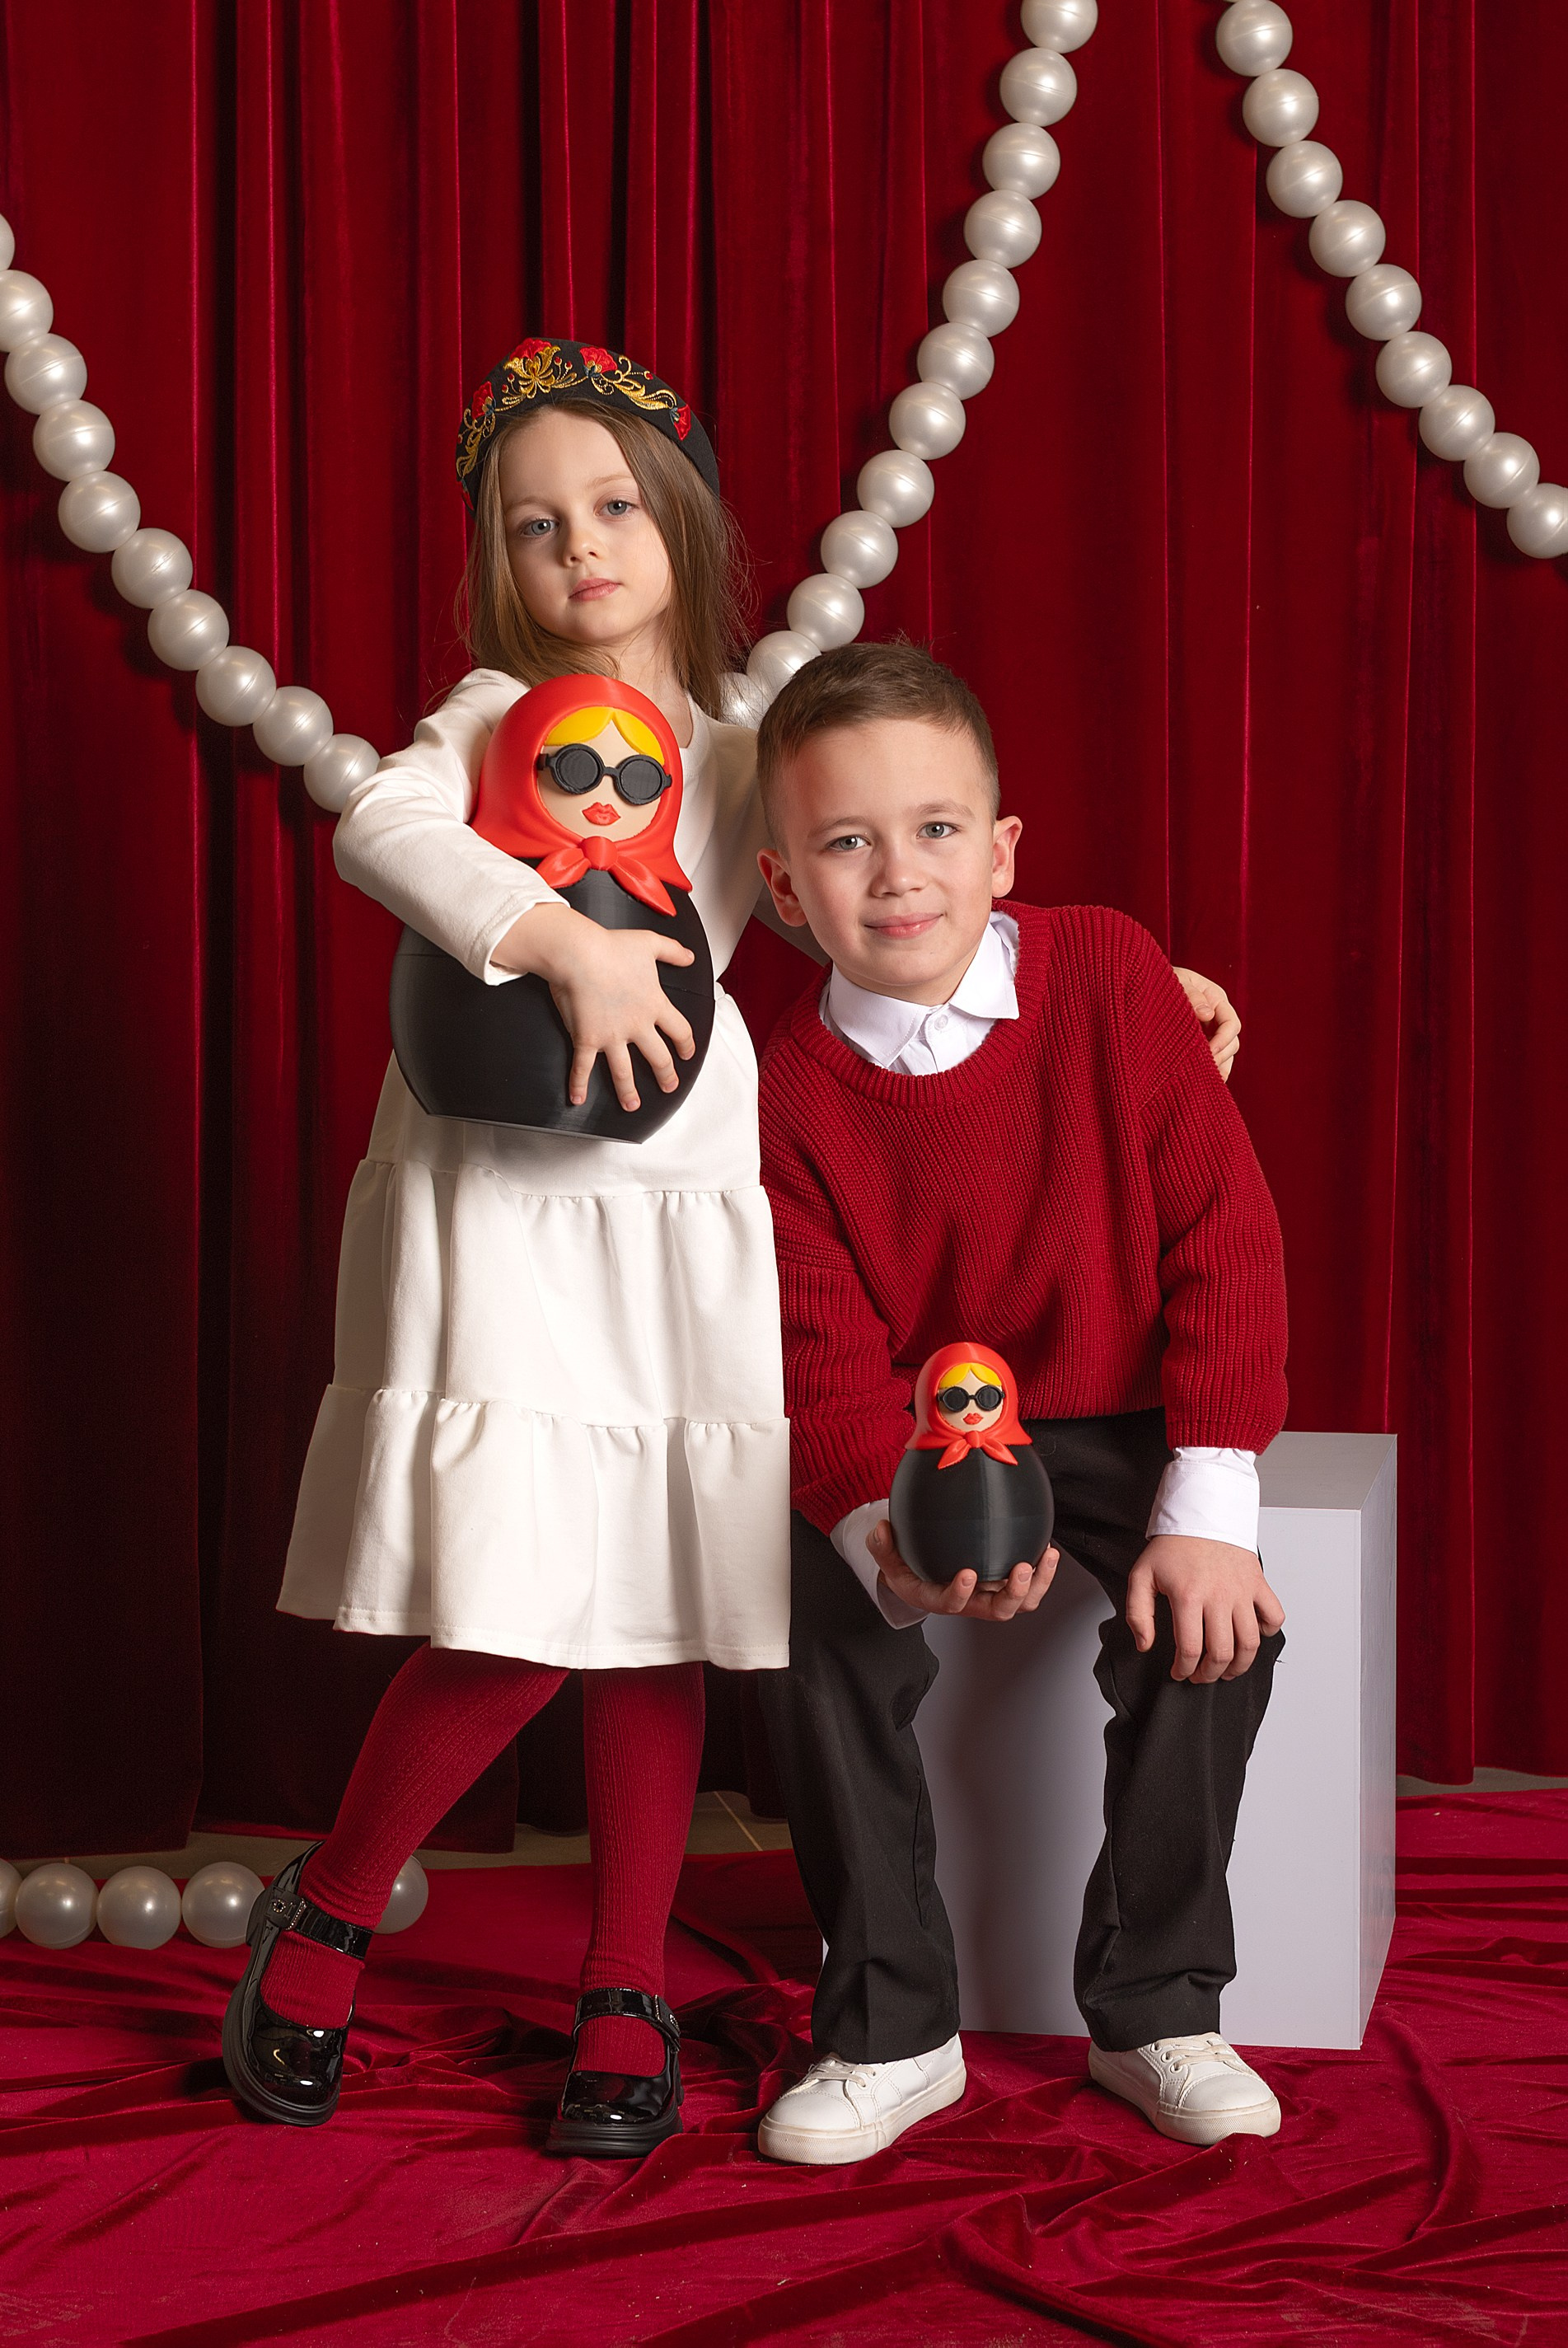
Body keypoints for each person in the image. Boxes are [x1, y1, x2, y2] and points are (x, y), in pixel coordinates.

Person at [222, 335, 1244, 2159]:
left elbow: (881, 882)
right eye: (535, 524)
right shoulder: (492, 719)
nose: (581, 549)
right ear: (497, 560)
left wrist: (1133, 979)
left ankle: (624, 1980)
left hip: (684, 1220)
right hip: (510, 1213)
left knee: (667, 1601)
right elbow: (380, 821)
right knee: (515, 1605)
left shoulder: (738, 751)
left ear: (683, 527)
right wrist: (560, 943)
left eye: (615, 508)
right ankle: (336, 1905)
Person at [751, 640, 1289, 2165]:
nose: (898, 875)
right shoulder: (780, 1092)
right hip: (927, 1429)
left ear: (999, 852)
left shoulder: (1111, 972)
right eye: (846, 842)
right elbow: (819, 1352)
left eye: (936, 829)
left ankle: (1158, 2002)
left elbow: (1224, 1235)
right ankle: (890, 2025)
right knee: (809, 1618)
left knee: (1218, 1635)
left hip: (1121, 1403)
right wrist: (884, 1534)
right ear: (784, 887)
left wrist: (1212, 1499)